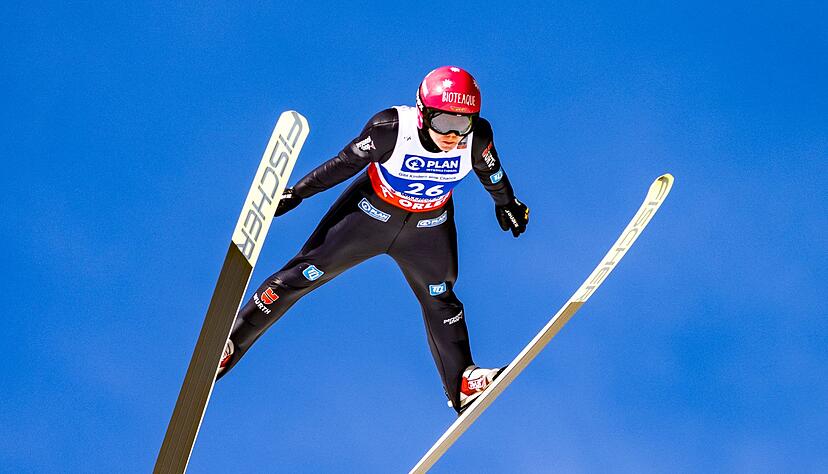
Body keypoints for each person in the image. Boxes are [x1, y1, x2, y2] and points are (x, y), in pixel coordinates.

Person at [216, 66, 530, 414]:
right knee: (303, 274)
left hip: (428, 229)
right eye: (444, 123)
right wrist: (297, 193)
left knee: (441, 299)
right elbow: (342, 164)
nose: (453, 136)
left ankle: (462, 384)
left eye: (463, 124)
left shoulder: (477, 138)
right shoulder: (391, 129)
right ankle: (231, 343)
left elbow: (492, 172)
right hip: (367, 217)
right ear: (424, 113)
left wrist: (507, 203)